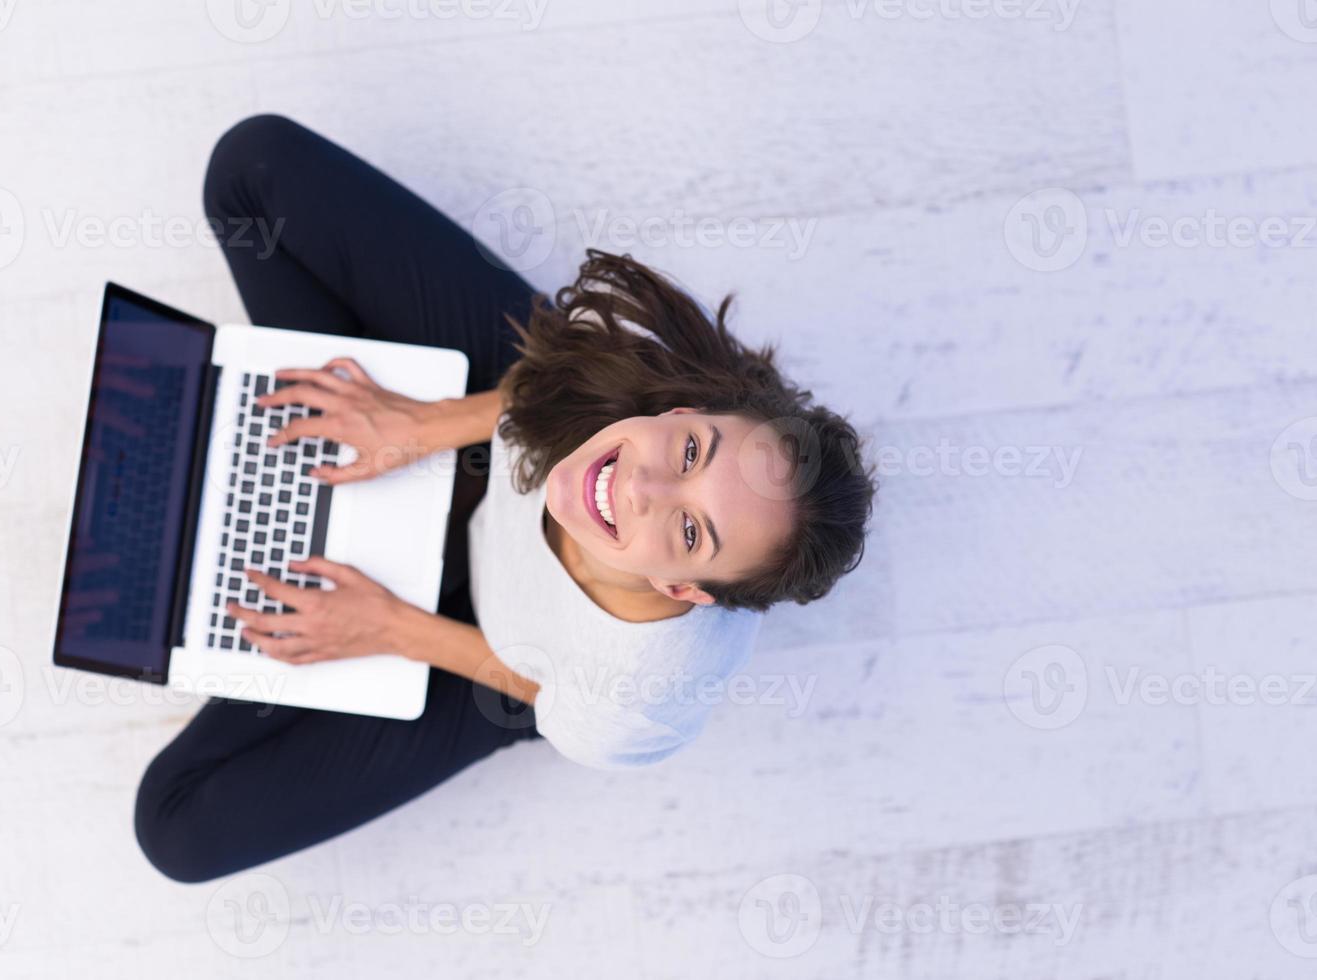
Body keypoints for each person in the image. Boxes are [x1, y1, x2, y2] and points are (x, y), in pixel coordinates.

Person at [134, 115, 874, 883]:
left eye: (690, 531)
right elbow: (554, 381)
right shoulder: (658, 383)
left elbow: (542, 694)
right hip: (501, 430)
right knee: (253, 170)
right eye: (689, 451)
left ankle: (341, 494)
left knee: (177, 825)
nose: (639, 484)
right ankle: (343, 440)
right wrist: (419, 425)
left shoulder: (640, 701)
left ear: (682, 588)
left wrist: (389, 625)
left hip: (492, 651)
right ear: (689, 410)